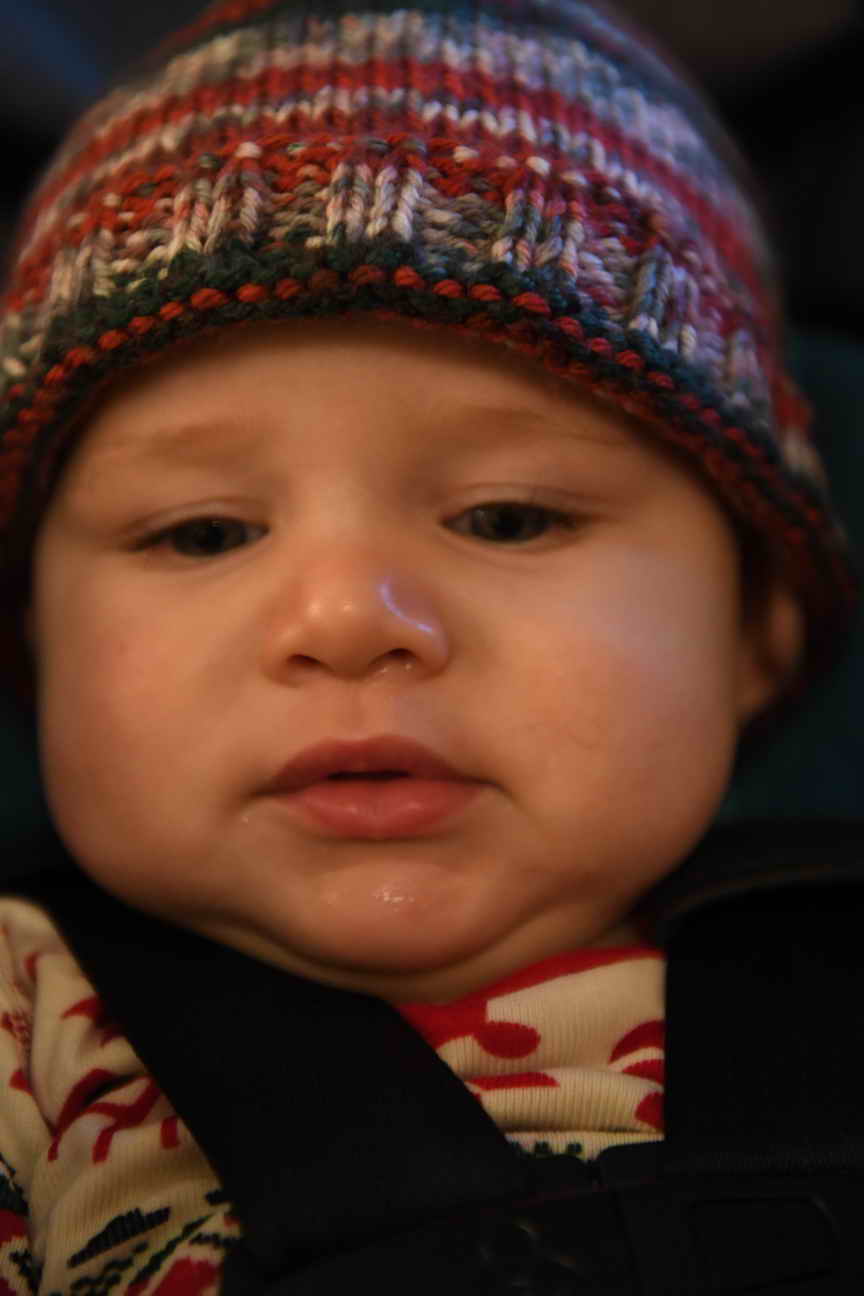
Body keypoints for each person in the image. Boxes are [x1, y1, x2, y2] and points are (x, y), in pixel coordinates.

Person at [0, 0, 857, 1292]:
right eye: (202, 534)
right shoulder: (26, 1032)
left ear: (754, 633)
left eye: (509, 518)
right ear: (37, 643)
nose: (350, 620)